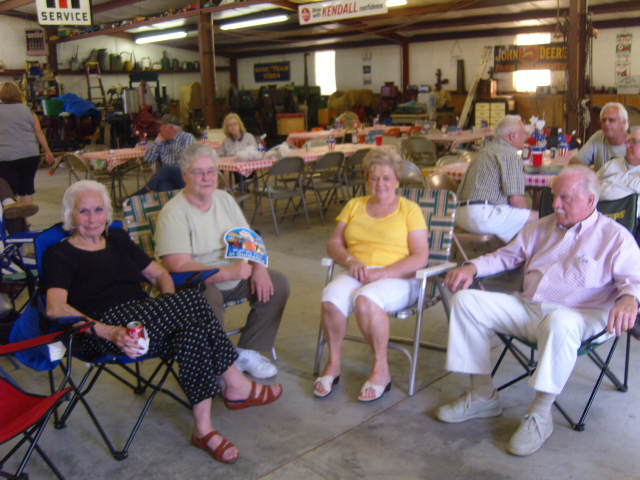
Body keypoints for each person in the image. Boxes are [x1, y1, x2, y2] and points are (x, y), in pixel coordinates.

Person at [43, 180, 283, 464]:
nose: (93, 218)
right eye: (83, 211)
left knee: (192, 329)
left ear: (107, 212)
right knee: (192, 300)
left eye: (98, 210)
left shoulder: (117, 240)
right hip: (102, 330)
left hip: (144, 321)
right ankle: (236, 384)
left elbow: (160, 275)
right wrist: (110, 332)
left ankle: (203, 430)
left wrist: (169, 306)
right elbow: (55, 307)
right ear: (70, 215)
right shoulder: (60, 254)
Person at [436, 165, 640, 456]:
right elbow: (506, 256)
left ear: (590, 201)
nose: (555, 204)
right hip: (529, 307)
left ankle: (541, 414)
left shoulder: (615, 237)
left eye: (565, 198)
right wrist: (472, 267)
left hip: (582, 316)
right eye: (554, 196)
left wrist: (630, 298)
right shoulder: (540, 227)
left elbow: (634, 279)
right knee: (466, 301)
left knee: (560, 321)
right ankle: (482, 395)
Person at [155, 144, 289, 379]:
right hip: (195, 280)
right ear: (185, 175)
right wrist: (227, 273)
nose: (207, 178)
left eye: (211, 171)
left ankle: (248, 351)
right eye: (199, 172)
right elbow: (178, 265)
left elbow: (248, 239)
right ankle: (218, 364)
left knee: (277, 283)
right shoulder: (173, 212)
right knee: (207, 296)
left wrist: (259, 268)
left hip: (235, 274)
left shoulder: (224, 199)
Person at [314, 149, 429, 402]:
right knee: (331, 297)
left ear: (397, 180)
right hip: (359, 271)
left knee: (365, 299)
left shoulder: (410, 210)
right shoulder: (354, 205)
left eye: (386, 178)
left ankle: (381, 368)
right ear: (367, 180)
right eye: (374, 178)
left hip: (399, 277)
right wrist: (350, 260)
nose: (380, 184)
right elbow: (334, 243)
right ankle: (334, 363)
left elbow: (421, 256)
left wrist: (384, 272)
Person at [455, 115, 537, 242]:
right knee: (540, 218)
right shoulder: (510, 154)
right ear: (513, 136)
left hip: (459, 215)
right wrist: (528, 216)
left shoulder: (485, 150)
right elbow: (516, 200)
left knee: (522, 217)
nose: (526, 136)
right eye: (524, 133)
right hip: (482, 216)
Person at [0, 82, 55, 204]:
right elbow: (39, 133)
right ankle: (25, 215)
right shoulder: (28, 111)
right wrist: (48, 152)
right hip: (30, 155)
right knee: (26, 189)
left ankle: (13, 215)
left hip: (6, 156)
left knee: (8, 190)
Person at [137, 114, 195, 193]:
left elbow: (185, 161)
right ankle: (149, 192)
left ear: (171, 128)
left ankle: (144, 190)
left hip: (184, 176)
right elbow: (148, 160)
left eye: (162, 127)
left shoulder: (187, 138)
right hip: (166, 177)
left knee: (167, 168)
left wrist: (169, 168)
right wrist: (156, 143)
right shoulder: (161, 139)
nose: (159, 130)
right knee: (163, 186)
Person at [571, 102, 628, 170]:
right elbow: (574, 162)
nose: (606, 124)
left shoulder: (633, 143)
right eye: (603, 120)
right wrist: (592, 174)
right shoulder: (598, 136)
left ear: (623, 123)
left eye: (611, 120)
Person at [597, 125, 640, 213]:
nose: (627, 145)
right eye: (627, 141)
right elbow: (590, 188)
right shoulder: (610, 164)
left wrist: (609, 181)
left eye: (633, 142)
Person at [219, 113, 260, 190]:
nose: (233, 127)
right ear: (227, 128)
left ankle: (231, 191)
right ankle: (228, 192)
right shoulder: (226, 141)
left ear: (239, 125)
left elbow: (254, 154)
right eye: (229, 125)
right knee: (220, 171)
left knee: (228, 172)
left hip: (248, 169)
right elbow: (220, 156)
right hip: (231, 170)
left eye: (235, 124)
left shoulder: (249, 137)